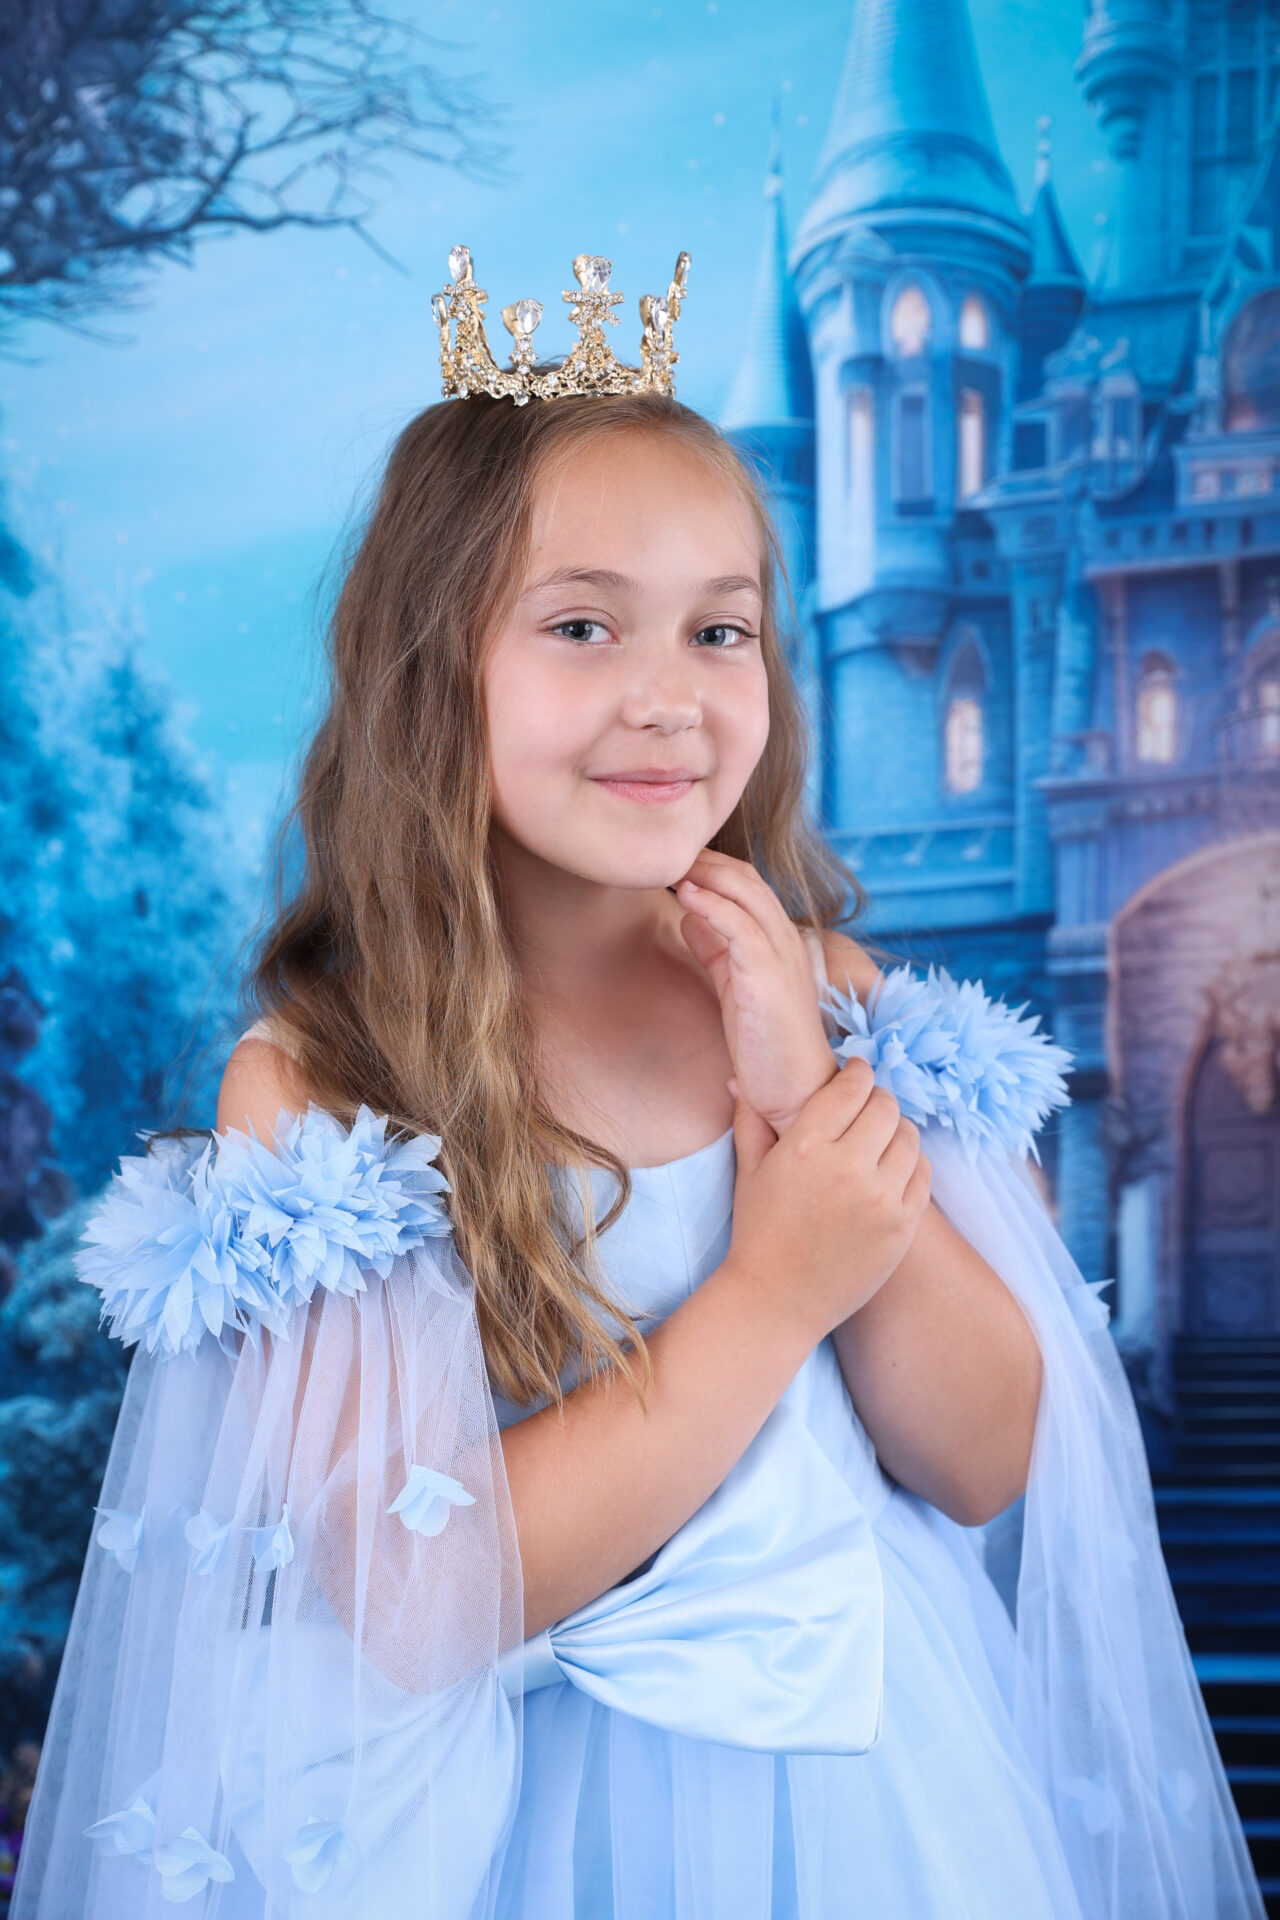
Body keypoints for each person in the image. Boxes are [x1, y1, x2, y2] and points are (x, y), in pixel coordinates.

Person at [10, 249, 1265, 1918]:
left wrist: (798, 1090)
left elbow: (984, 1458)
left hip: (869, 1797)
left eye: (722, 629)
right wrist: (769, 1285)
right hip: (488, 1832)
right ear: (433, 670)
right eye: (584, 625)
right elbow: (415, 1596)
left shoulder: (839, 1000)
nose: (668, 696)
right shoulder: (319, 1084)